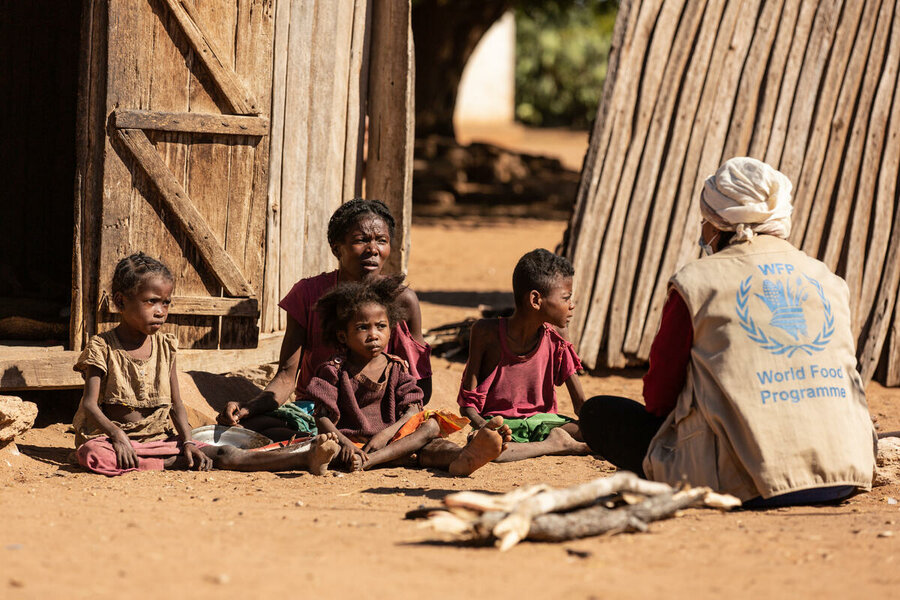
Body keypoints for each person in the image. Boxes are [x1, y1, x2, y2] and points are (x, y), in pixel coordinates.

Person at [579, 157, 876, 506]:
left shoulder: (695, 283)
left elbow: (659, 398)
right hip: (845, 472)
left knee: (598, 414)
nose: (702, 229)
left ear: (718, 224)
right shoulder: (828, 279)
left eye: (705, 220)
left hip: (749, 484)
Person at [73, 253, 340, 477]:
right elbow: (90, 405)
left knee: (225, 451)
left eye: (166, 302)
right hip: (112, 439)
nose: (160, 310)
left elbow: (177, 406)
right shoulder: (102, 346)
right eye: (151, 301)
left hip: (159, 440)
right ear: (121, 302)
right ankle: (169, 464)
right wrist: (117, 434)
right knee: (93, 455)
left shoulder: (166, 347)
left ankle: (304, 457)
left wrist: (187, 440)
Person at [218, 199, 432, 441]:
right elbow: (287, 376)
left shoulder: (402, 300)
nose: (373, 249)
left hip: (381, 415)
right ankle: (328, 445)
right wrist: (251, 407)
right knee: (253, 425)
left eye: (381, 240)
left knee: (428, 431)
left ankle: (327, 447)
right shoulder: (308, 295)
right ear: (336, 247)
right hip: (318, 413)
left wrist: (395, 418)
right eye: (361, 240)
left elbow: (420, 383)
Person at [309, 275, 506, 474]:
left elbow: (412, 410)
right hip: (353, 447)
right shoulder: (334, 370)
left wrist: (386, 434)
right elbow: (321, 418)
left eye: (381, 326)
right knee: (323, 448)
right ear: (343, 335)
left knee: (430, 428)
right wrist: (344, 443)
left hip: (394, 442)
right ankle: (369, 460)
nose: (373, 335)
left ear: (391, 329)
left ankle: (464, 456)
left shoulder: (396, 367)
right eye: (362, 327)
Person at [457, 249, 591, 462]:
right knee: (489, 446)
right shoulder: (485, 332)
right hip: (501, 424)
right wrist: (487, 428)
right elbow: (467, 406)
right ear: (536, 300)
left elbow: (580, 403)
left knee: (588, 432)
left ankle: (559, 442)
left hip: (545, 423)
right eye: (566, 298)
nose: (571, 305)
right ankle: (558, 445)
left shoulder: (557, 335)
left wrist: (598, 431)